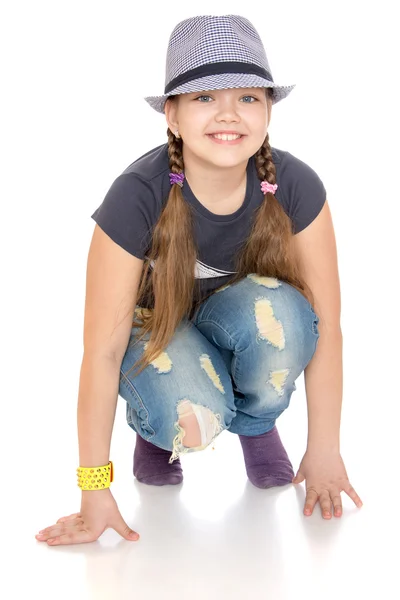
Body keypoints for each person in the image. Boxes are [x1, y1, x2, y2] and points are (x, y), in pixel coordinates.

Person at [36, 14, 363, 547]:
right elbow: (100, 351)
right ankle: (156, 428)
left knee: (285, 317)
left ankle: (256, 427)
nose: (228, 114)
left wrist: (325, 448)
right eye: (204, 98)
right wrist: (93, 488)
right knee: (191, 418)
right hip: (159, 334)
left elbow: (328, 327)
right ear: (172, 114)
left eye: (248, 98)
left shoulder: (296, 186)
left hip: (237, 328)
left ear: (268, 109)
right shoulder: (136, 196)